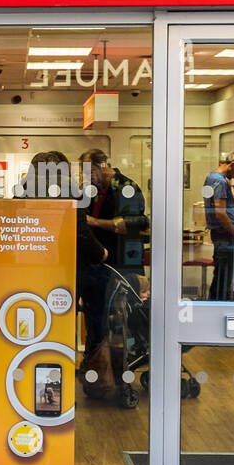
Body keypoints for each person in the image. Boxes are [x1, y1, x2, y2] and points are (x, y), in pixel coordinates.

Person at [78, 149, 149, 357]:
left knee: (122, 320)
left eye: (90, 171)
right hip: (96, 263)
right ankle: (96, 362)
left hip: (121, 264)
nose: (87, 176)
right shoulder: (92, 190)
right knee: (95, 316)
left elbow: (134, 224)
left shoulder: (127, 187)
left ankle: (119, 371)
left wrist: (93, 222)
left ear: (103, 165)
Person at [202, 153, 234, 300]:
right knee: (223, 280)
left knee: (221, 278)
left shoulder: (213, 178)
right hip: (225, 237)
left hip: (223, 235)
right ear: (232, 164)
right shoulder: (219, 181)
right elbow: (220, 213)